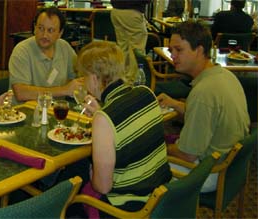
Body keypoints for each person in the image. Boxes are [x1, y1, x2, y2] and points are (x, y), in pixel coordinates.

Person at [73, 41, 172, 217]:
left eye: (83, 77)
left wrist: (92, 171)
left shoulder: (104, 119)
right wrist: (102, 113)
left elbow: (103, 186)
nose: (82, 82)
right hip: (162, 196)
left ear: (95, 78)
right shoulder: (146, 93)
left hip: (130, 208)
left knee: (72, 191)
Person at [157, 21, 250, 192]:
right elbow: (209, 116)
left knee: (143, 165)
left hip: (211, 172)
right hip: (232, 165)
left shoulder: (203, 92)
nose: (173, 56)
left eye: (179, 50)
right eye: (171, 50)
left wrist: (158, 149)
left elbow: (187, 154)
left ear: (199, 50)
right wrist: (176, 104)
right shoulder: (225, 75)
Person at [8, 6, 82, 103]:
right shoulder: (21, 51)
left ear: (60, 33)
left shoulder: (64, 48)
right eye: (41, 28)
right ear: (34, 28)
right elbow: (21, 93)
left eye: (50, 30)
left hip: (55, 111)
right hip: (24, 112)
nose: (44, 35)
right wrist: (64, 90)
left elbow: (78, 78)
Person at [110, 0, 151, 85]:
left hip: (116, 11)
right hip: (132, 12)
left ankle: (122, 78)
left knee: (122, 47)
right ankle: (133, 81)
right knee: (137, 49)